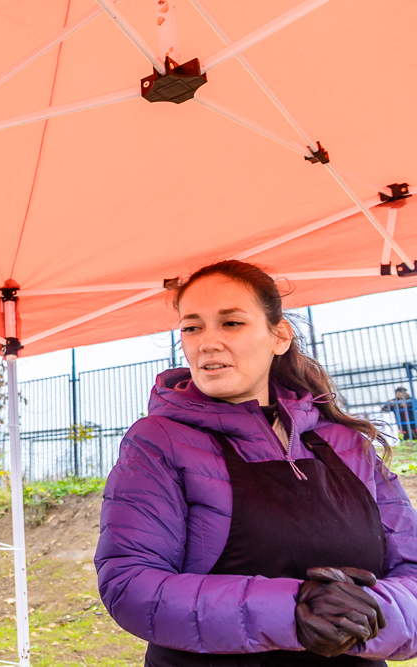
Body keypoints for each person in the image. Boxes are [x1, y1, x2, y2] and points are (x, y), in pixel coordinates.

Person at [96, 260, 417, 665]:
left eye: (231, 323)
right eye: (192, 327)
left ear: (279, 336)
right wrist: (293, 612)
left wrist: (365, 615)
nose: (206, 343)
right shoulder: (158, 440)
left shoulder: (347, 443)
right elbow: (131, 583)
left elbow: (412, 571)